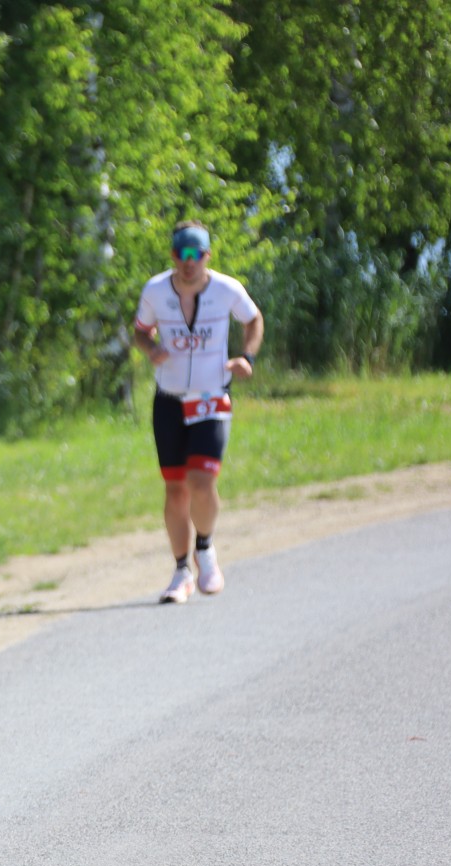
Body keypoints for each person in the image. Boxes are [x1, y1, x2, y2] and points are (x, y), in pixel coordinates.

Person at [131, 220, 264, 604]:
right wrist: (150, 348)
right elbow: (140, 331)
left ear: (207, 256)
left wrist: (247, 357)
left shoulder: (226, 289)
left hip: (211, 396)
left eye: (195, 254)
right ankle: (181, 572)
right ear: (173, 255)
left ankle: (205, 550)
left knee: (202, 482)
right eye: (181, 254)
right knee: (175, 490)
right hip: (169, 399)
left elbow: (254, 319)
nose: (188, 262)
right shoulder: (156, 290)